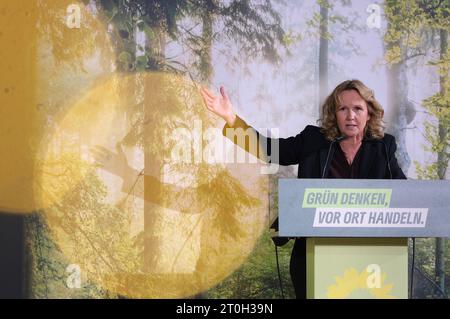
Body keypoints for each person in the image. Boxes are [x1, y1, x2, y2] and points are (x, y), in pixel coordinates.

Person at [200, 79, 406, 298]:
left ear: (369, 113)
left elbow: (405, 194)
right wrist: (231, 118)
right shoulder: (313, 139)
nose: (350, 116)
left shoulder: (383, 146)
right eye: (343, 109)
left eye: (358, 108)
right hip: (312, 254)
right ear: (333, 113)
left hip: (366, 257)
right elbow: (270, 150)